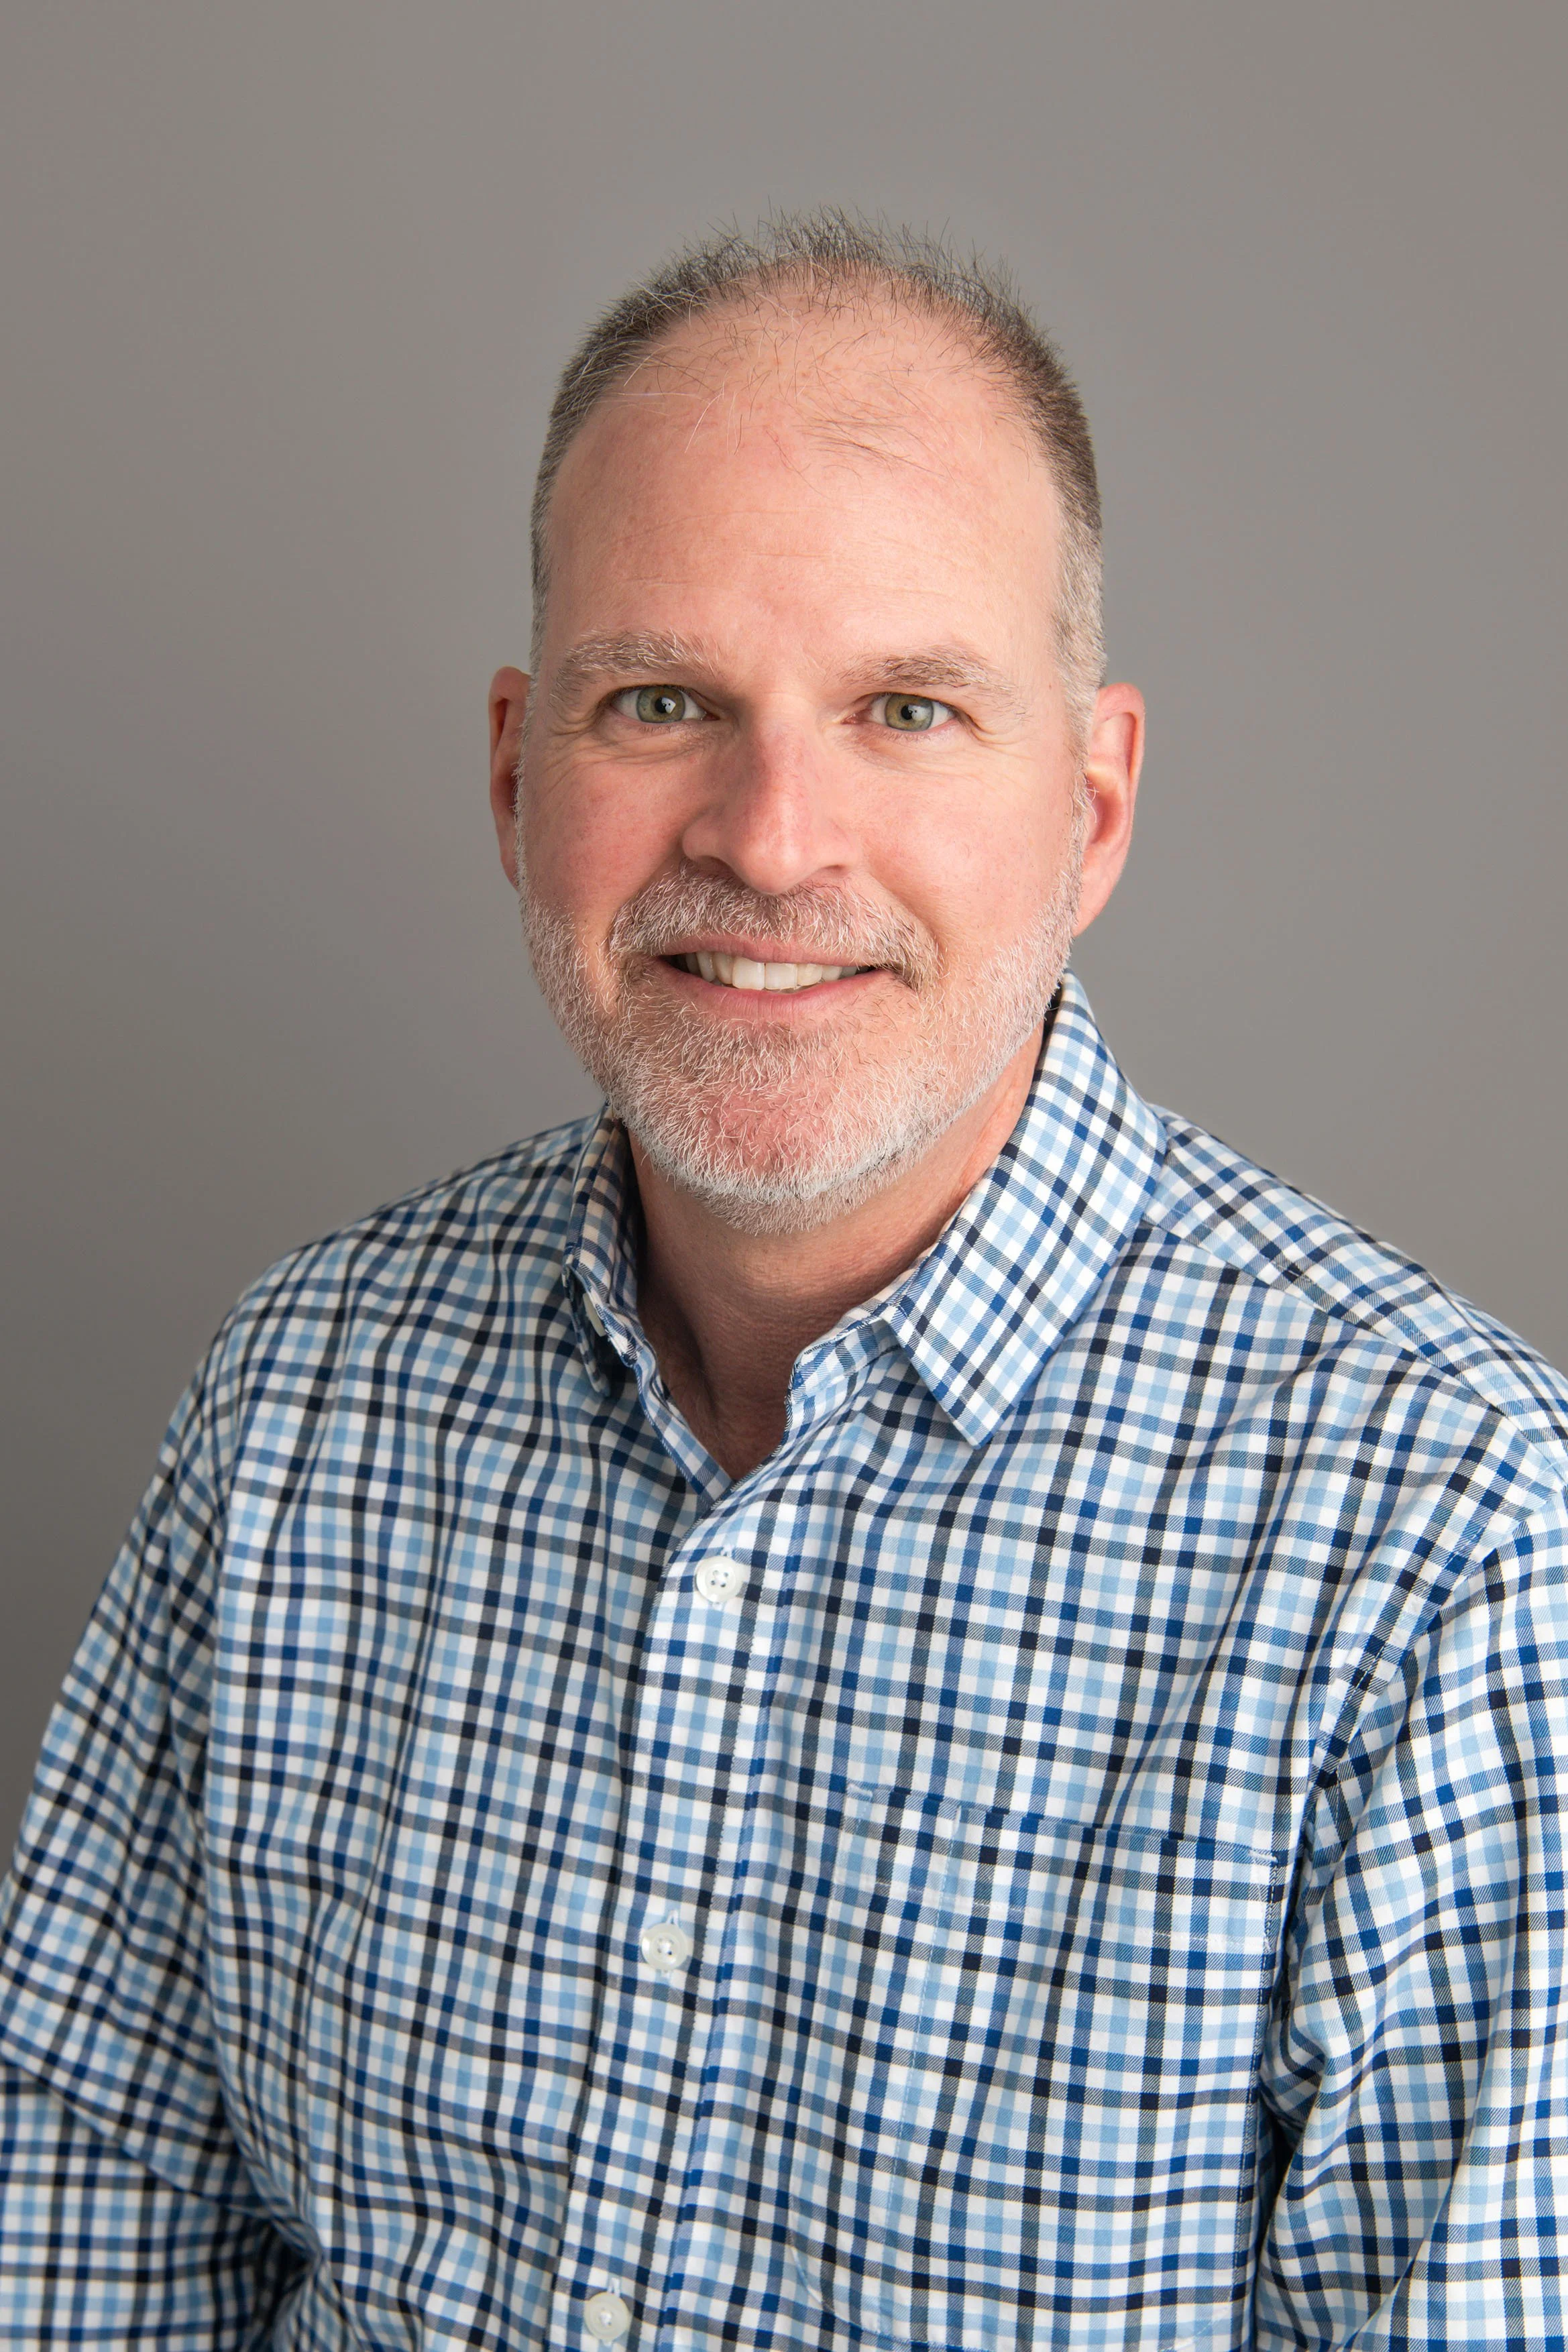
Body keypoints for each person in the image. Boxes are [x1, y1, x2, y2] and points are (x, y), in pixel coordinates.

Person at [2, 211, 1566, 2352]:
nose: (770, 835)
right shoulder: (300, 1398)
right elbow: (78, 2226)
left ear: (1091, 810)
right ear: (510, 775)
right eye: (660, 701)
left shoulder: (1449, 1540)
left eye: (907, 710)